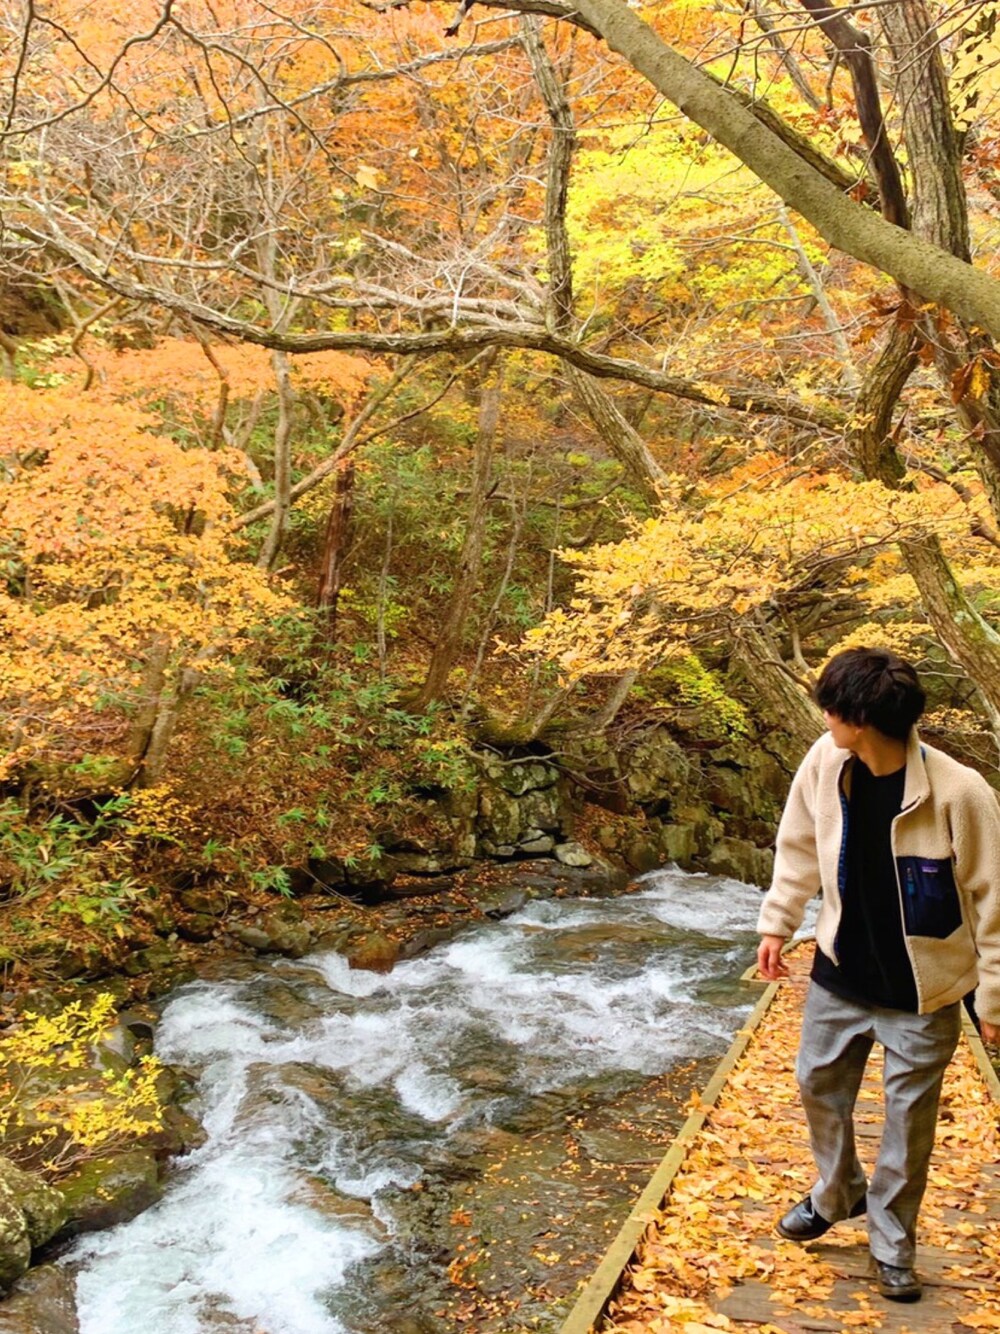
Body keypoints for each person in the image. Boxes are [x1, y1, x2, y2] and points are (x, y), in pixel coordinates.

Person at [756, 647, 1000, 1304]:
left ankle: (892, 1244)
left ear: (860, 719)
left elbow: (995, 903)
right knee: (816, 1085)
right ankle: (838, 1193)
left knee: (906, 1122)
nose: (825, 719)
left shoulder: (960, 793)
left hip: (924, 992)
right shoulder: (825, 762)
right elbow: (798, 846)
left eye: (831, 710)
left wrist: (995, 1000)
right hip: (840, 971)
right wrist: (777, 923)